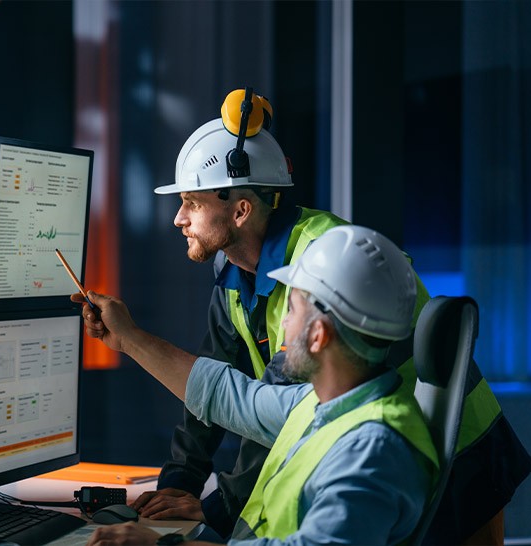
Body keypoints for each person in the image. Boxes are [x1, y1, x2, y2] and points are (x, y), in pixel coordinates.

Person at [137, 88, 530, 544]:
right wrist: (179, 485)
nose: (178, 218)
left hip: (454, 449)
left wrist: (214, 512)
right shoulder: (235, 270)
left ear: (241, 210)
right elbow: (218, 383)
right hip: (377, 447)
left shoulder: (323, 266)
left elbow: (277, 418)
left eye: (193, 202)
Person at [78, 225, 439, 546]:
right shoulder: (324, 404)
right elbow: (230, 397)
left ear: (318, 336)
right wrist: (128, 338)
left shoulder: (372, 452)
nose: (282, 324)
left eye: (292, 311)